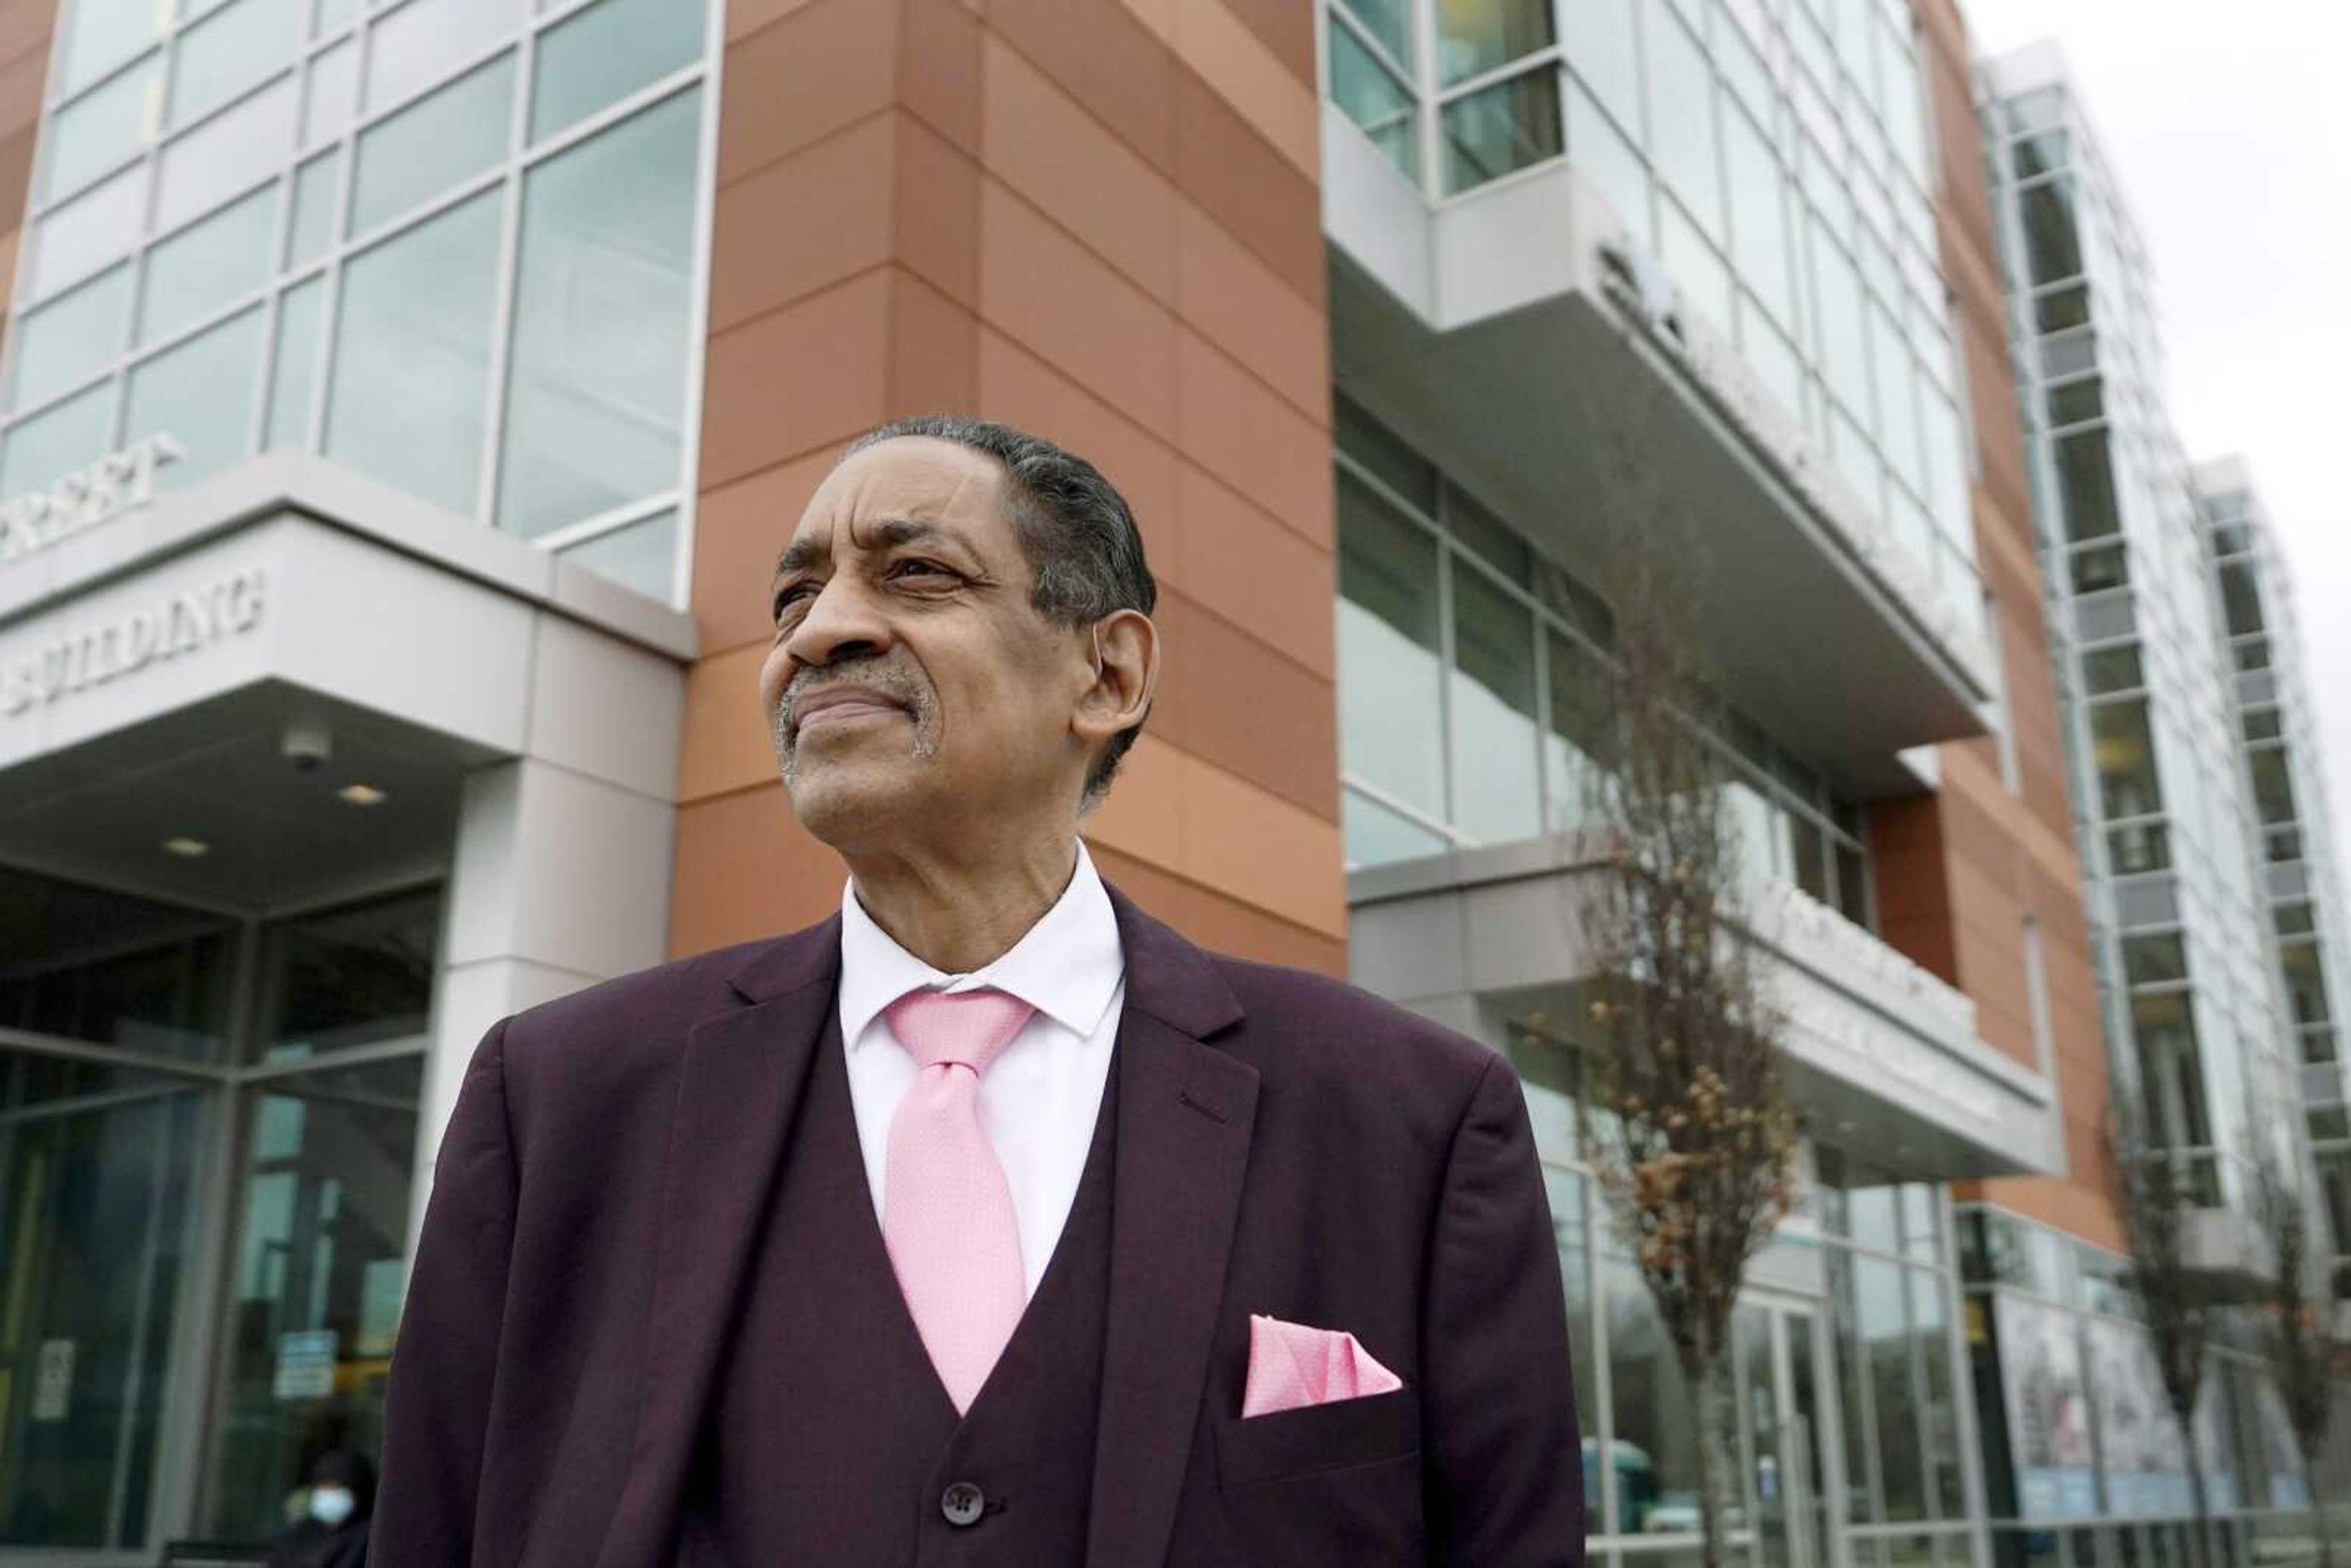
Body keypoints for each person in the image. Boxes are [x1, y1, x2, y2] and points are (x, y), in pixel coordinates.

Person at [370, 416, 1584, 1564]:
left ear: (1108, 672)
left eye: (918, 575)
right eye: (795, 596)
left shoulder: (1410, 1114)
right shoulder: (560, 1098)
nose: (818, 631)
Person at [266, 1449, 373, 1568]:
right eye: (325, 1487)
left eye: (337, 1488)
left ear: (359, 1492)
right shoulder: (296, 1536)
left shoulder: (370, 1540)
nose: (330, 1494)